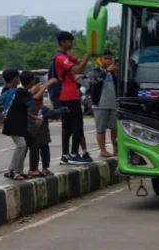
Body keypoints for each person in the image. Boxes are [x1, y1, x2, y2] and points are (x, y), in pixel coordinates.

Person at [53, 31, 92, 165]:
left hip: (67, 95)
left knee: (68, 127)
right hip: (69, 95)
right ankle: (74, 154)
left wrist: (89, 55)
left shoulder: (66, 56)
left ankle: (65, 155)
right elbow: (78, 70)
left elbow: (78, 61)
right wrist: (87, 58)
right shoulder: (60, 58)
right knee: (78, 126)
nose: (71, 43)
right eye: (69, 41)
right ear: (63, 42)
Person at [24, 74, 65, 177]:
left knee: (29, 150)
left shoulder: (26, 106)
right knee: (43, 150)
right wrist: (62, 110)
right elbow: (54, 114)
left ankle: (26, 169)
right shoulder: (41, 107)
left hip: (29, 132)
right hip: (41, 134)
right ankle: (41, 168)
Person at [88, 50, 118, 158]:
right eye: (105, 58)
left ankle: (116, 149)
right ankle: (103, 150)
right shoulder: (95, 71)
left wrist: (116, 73)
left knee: (115, 129)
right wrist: (106, 71)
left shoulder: (115, 72)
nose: (108, 60)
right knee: (101, 129)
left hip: (114, 104)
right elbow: (94, 81)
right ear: (100, 60)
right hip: (100, 104)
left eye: (110, 58)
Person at [0, 69, 29, 180]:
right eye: (18, 77)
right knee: (22, 145)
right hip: (13, 122)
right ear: (15, 79)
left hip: (18, 121)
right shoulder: (11, 92)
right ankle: (12, 170)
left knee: (25, 144)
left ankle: (18, 171)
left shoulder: (11, 90)